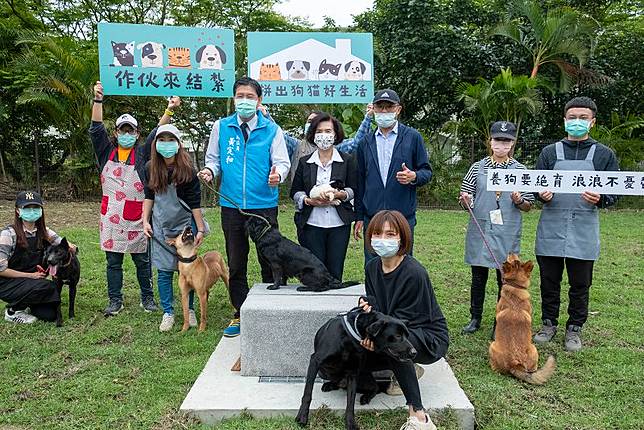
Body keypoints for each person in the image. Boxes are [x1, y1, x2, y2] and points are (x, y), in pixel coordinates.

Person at [199, 77, 290, 338]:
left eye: (250, 96)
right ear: (234, 99)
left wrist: (278, 176)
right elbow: (214, 160)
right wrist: (208, 171)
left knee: (270, 259)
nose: (245, 101)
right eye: (240, 96)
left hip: (263, 206)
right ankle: (240, 312)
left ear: (259, 101)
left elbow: (282, 163)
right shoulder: (222, 127)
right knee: (237, 262)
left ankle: (271, 309)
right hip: (231, 206)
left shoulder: (272, 130)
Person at [533, 96, 619, 352]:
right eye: (572, 117)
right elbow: (536, 185)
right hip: (552, 226)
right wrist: (542, 194)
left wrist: (601, 198)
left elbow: (615, 192)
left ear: (592, 122)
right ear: (564, 120)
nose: (577, 122)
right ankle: (548, 323)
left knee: (580, 283)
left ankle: (574, 328)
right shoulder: (549, 153)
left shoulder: (604, 155)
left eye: (583, 118)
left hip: (583, 228)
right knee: (549, 280)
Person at [90, 80, 180, 316]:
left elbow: (156, 133)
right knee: (113, 263)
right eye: (123, 130)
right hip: (111, 219)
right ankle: (115, 300)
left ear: (137, 133)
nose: (127, 134)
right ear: (116, 133)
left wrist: (169, 109)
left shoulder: (141, 153)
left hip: (137, 218)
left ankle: (147, 297)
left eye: (131, 130)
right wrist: (98, 98)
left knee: (142, 261)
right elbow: (95, 127)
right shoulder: (105, 153)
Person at [358, 210, 448, 430]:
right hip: (392, 328)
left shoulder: (414, 273)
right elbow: (378, 308)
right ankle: (407, 369)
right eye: (377, 233)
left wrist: (376, 334)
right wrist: (367, 308)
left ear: (402, 238)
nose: (382, 239)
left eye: (390, 234)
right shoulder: (372, 268)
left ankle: (418, 415)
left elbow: (403, 323)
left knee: (393, 344)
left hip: (425, 334)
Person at [459, 121, 534, 335]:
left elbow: (528, 205)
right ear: (490, 142)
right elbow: (465, 198)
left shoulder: (520, 170)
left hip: (506, 230)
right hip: (481, 228)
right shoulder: (477, 167)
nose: (501, 145)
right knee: (478, 275)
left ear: (512, 144)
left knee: (504, 277)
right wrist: (465, 199)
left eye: (506, 141)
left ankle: (500, 320)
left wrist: (519, 200)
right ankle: (475, 317)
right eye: (497, 140)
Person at [354, 89, 432, 266]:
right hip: (372, 214)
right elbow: (359, 181)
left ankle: (401, 294)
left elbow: (426, 172)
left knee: (403, 262)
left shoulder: (412, 137)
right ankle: (374, 294)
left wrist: (414, 176)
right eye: (379, 107)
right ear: (372, 109)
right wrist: (359, 216)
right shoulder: (366, 141)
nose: (383, 112)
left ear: (398, 110)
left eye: (388, 107)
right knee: (373, 262)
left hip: (402, 214)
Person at [142, 124, 207, 332]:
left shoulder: (188, 170)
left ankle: (190, 310)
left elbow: (195, 203)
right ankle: (168, 312)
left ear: (179, 144)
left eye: (171, 140)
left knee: (189, 269)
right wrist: (145, 221)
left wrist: (200, 229)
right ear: (156, 144)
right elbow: (149, 197)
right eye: (162, 140)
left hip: (183, 225)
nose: (166, 144)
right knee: (164, 271)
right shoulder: (150, 168)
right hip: (160, 224)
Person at [289, 112, 357, 281]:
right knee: (313, 271)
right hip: (311, 224)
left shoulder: (347, 160)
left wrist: (341, 194)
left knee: (335, 271)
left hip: (339, 224)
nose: (324, 135)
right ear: (313, 134)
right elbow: (295, 191)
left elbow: (354, 189)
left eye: (328, 131)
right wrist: (308, 200)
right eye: (319, 131)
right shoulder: (305, 162)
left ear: (336, 134)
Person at [0, 191, 76, 324]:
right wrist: (31, 276)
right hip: (8, 283)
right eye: (27, 208)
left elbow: (62, 243)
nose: (32, 211)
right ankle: (13, 311)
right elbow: (1, 270)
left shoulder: (44, 232)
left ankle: (28, 302)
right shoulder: (8, 234)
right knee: (48, 286)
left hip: (32, 282)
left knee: (49, 315)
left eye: (35, 208)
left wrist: (71, 246)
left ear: (41, 210)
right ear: (18, 211)